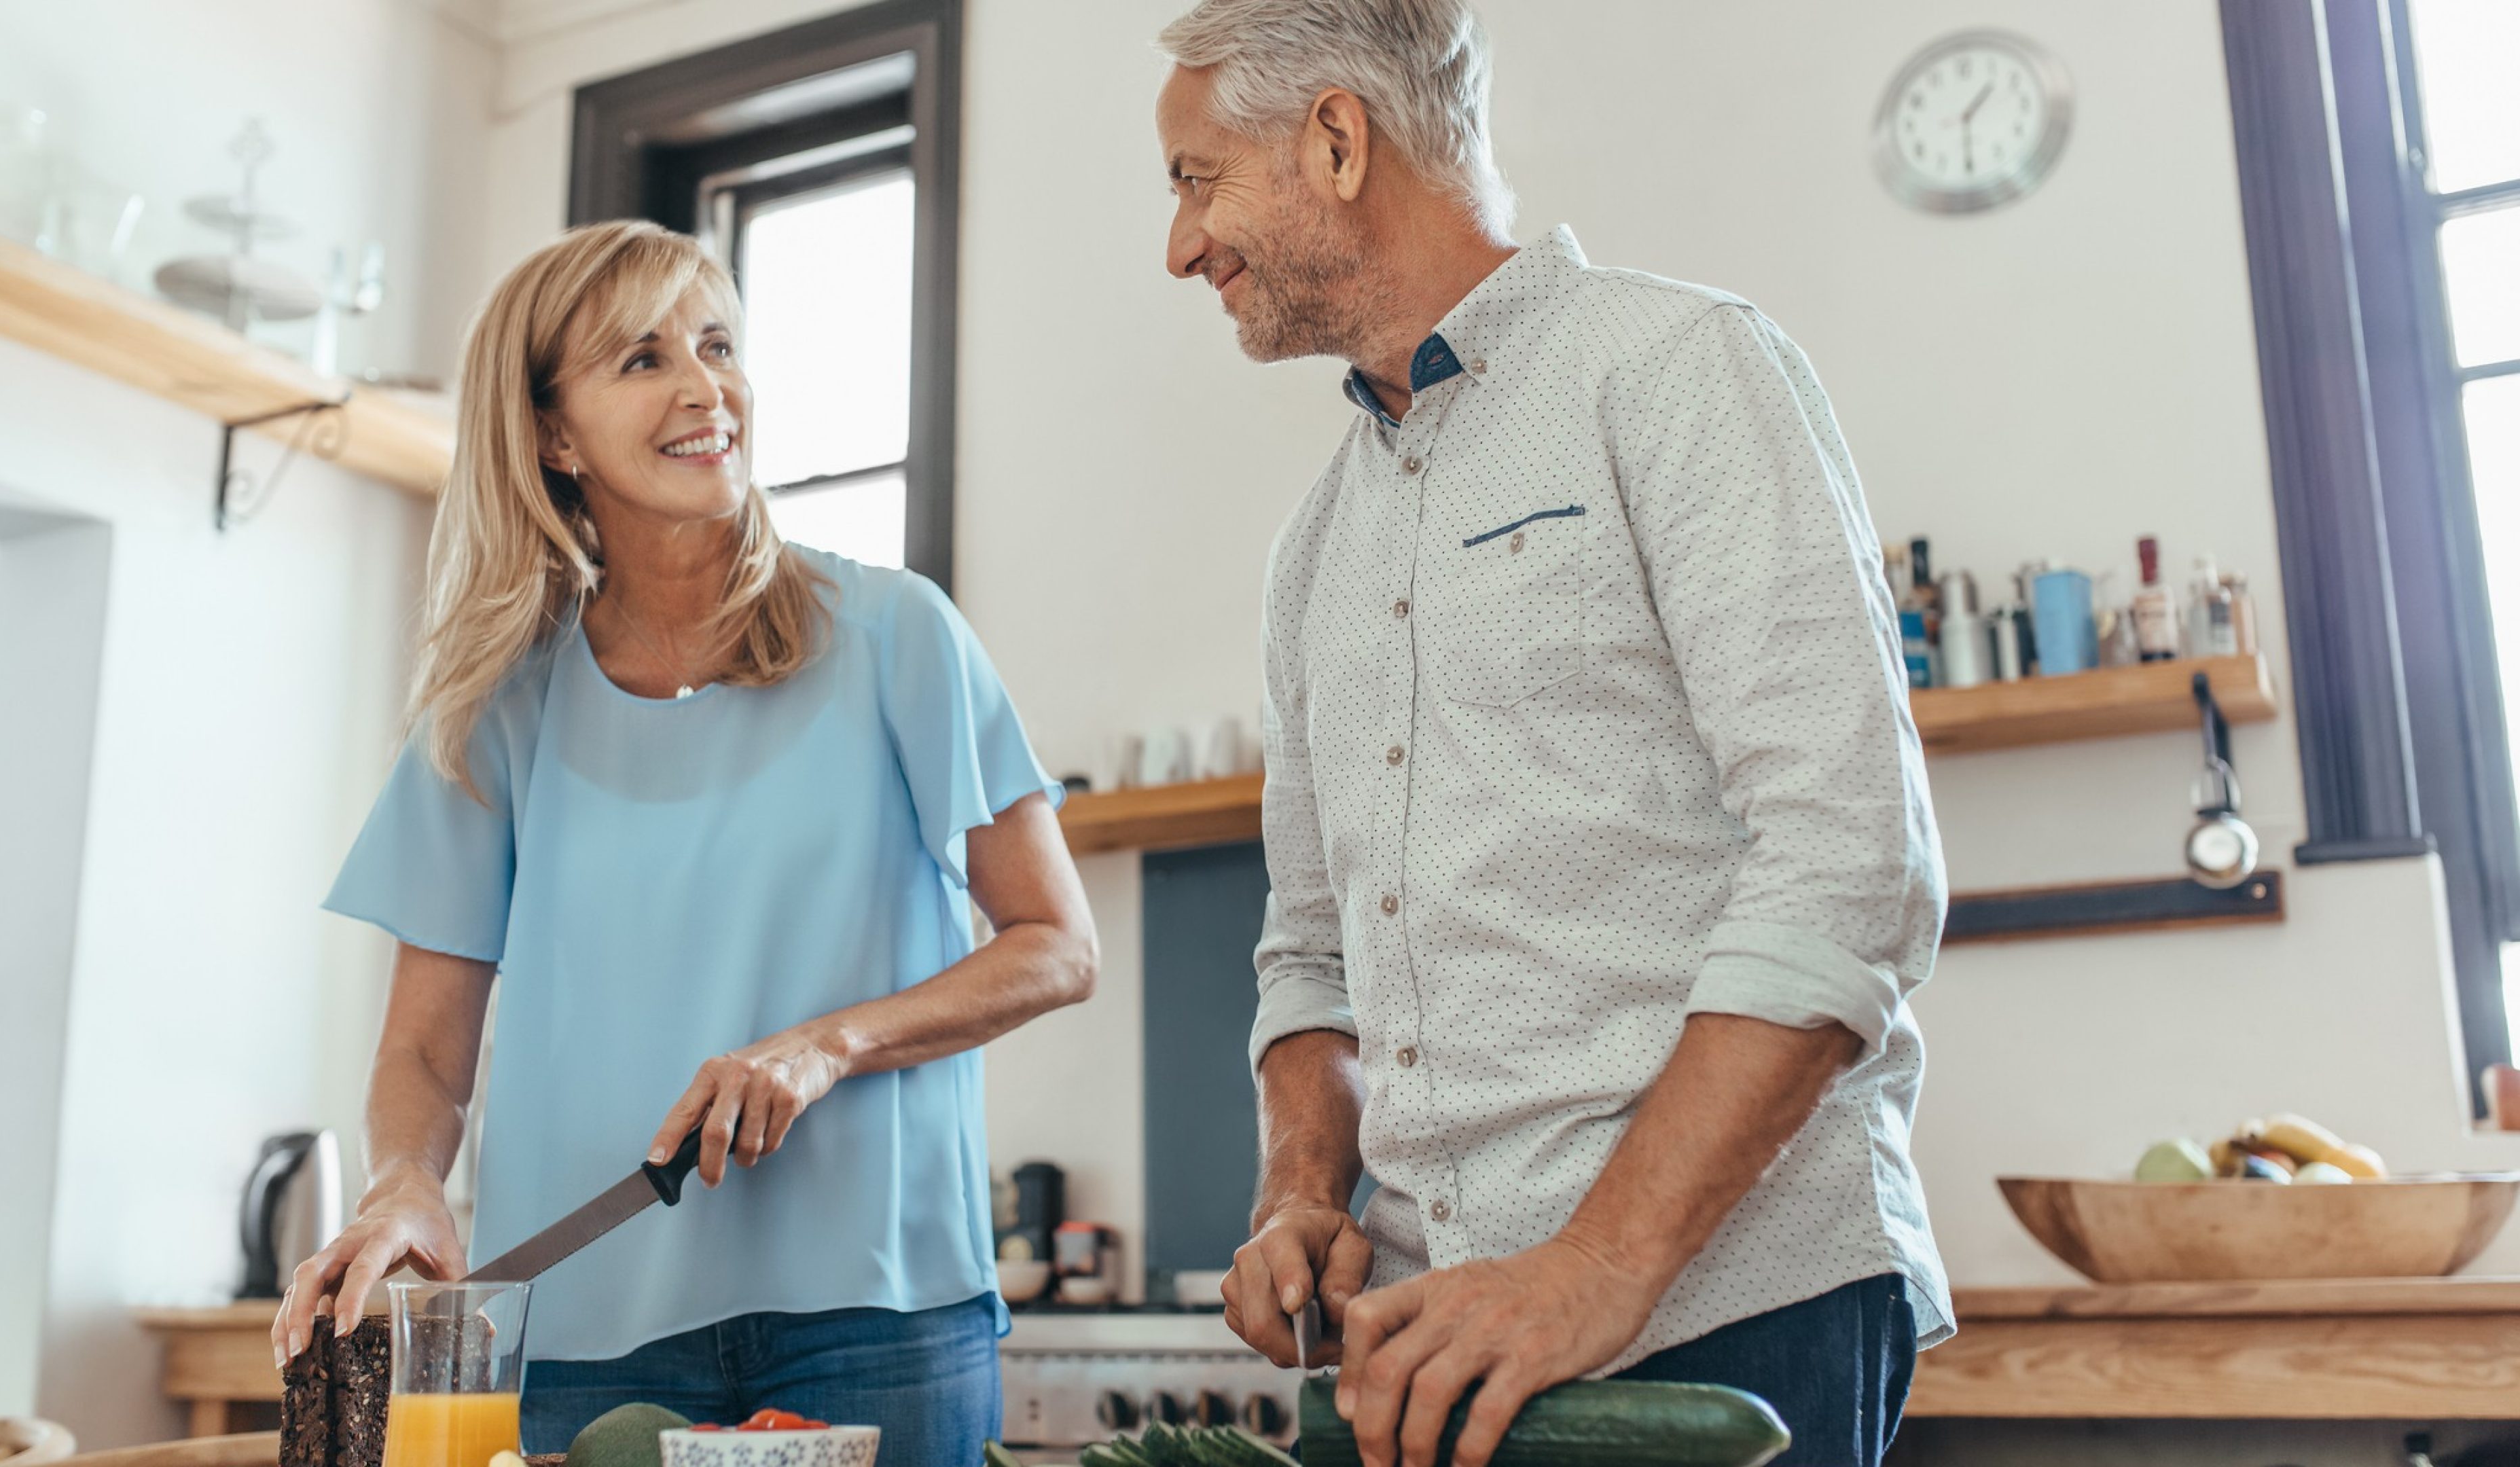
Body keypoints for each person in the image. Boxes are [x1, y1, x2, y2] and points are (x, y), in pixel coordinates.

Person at [1153, 4, 1951, 1465]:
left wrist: (1590, 1273)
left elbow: (1848, 860)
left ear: (1336, 140)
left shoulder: (1680, 369)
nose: (1183, 245)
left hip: (1732, 1322)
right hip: (1434, 1354)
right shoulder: (1314, 548)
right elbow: (1311, 958)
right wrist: (1299, 1196)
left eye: (1198, 179)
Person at [269, 220, 1097, 1467]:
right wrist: (404, 1179)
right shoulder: (498, 709)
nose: (706, 388)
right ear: (554, 433)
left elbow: (1055, 943)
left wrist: (828, 1045)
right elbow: (428, 1053)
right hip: (580, 1340)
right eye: (644, 359)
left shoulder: (896, 635)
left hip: (875, 1317)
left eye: (718, 346)